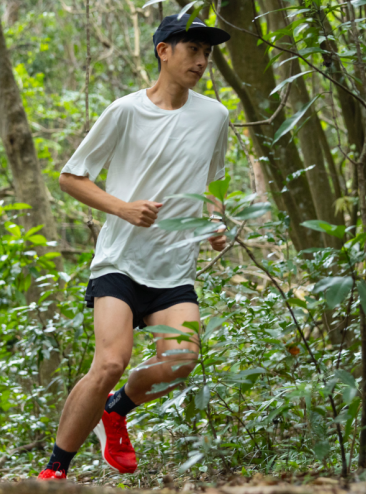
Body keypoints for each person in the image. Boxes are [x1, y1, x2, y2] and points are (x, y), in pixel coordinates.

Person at [36, 13, 231, 480]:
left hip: (174, 266)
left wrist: (217, 221)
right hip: (121, 261)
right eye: (192, 50)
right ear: (163, 51)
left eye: (206, 53)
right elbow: (69, 177)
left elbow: (213, 181)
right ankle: (53, 471)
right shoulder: (125, 111)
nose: (202, 61)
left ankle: (116, 410)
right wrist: (123, 208)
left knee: (181, 361)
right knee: (109, 362)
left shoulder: (215, 116)